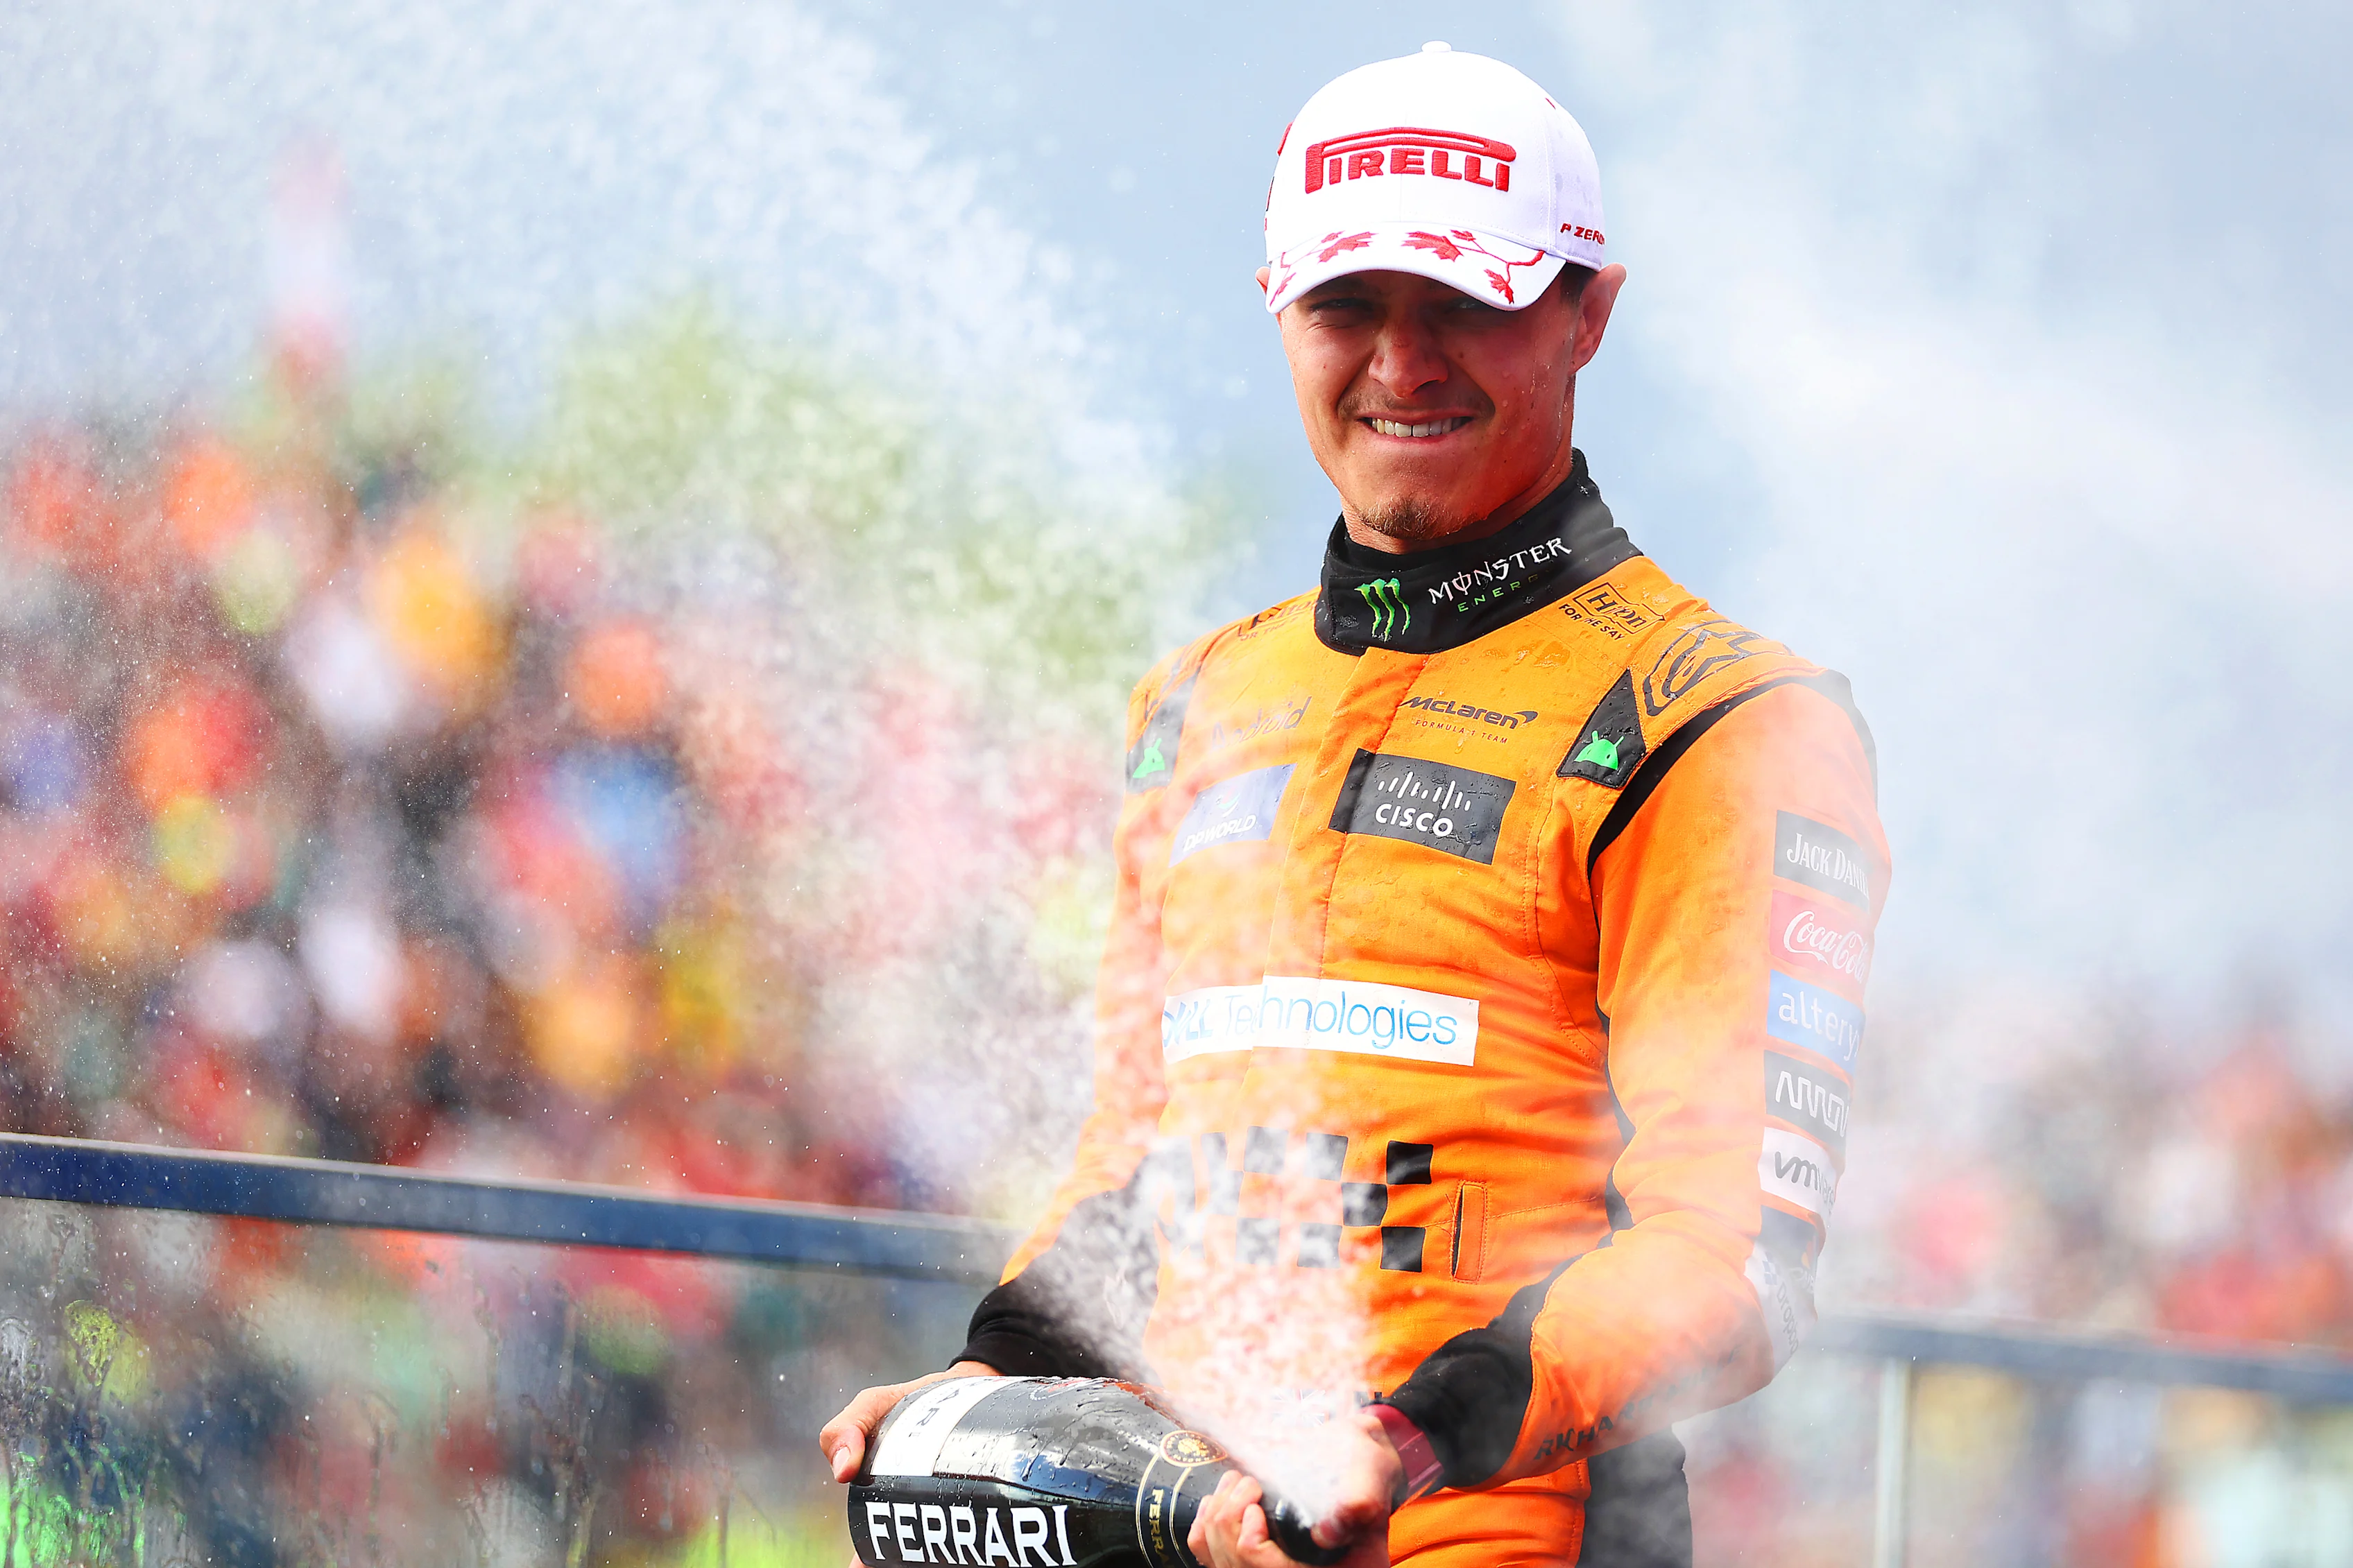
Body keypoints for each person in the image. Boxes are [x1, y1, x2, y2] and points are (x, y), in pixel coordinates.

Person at [821, 43, 1888, 1568]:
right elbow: (1143, 1149)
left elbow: (1732, 1260)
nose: (1402, 361)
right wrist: (995, 1378)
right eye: (1348, 305)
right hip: (1193, 1523)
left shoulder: (1727, 717)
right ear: (1276, 305)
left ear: (1586, 310)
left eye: (1465, 301)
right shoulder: (1193, 702)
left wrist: (1406, 1434)